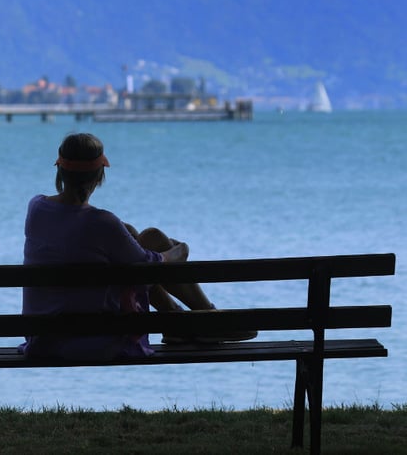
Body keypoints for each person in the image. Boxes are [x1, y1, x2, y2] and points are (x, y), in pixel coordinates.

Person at [21, 132, 255, 361]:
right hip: (92, 339)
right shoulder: (102, 222)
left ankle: (179, 322)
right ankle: (208, 319)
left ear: (60, 170)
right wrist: (180, 250)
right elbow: (148, 266)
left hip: (43, 338)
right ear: (100, 175)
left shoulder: (37, 207)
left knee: (139, 238)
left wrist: (129, 234)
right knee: (150, 244)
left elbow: (79, 230)